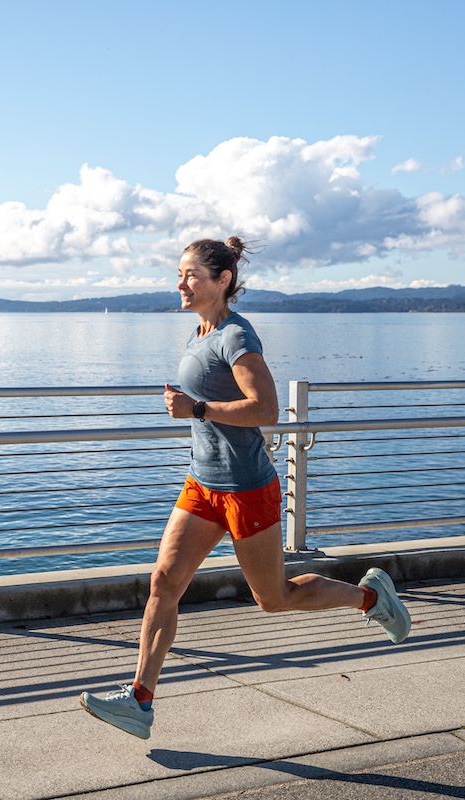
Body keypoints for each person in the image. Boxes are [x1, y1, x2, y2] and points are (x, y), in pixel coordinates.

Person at [79, 236, 410, 740]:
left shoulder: (236, 336)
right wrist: (194, 407)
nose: (180, 282)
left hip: (246, 489)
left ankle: (370, 597)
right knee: (164, 582)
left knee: (273, 598)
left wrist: (196, 409)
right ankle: (140, 701)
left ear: (222, 281)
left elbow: (266, 410)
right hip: (202, 484)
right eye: (180, 273)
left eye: (191, 274)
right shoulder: (200, 331)